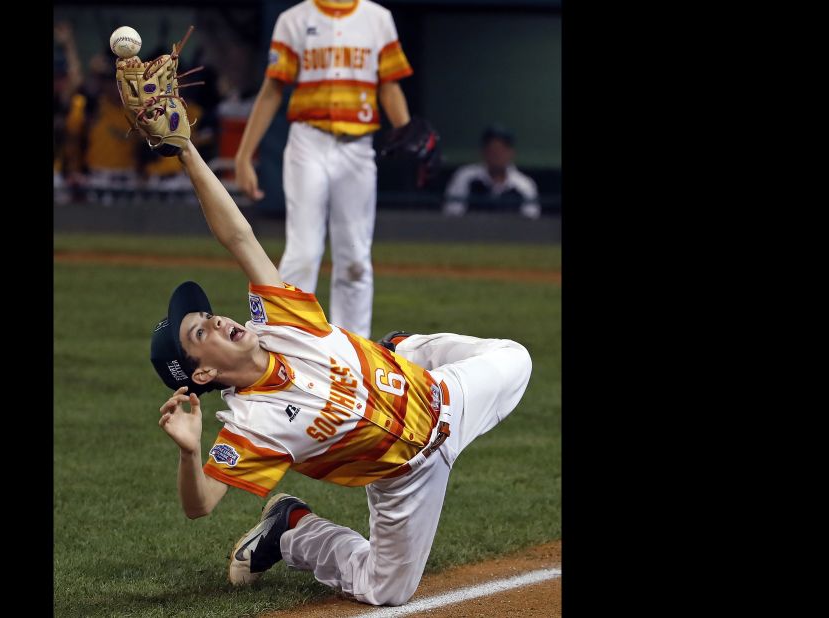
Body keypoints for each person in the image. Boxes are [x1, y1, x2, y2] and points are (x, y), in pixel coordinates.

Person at [150, 138, 533, 606]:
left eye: (209, 315)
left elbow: (238, 236)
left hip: (442, 394)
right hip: (406, 477)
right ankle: (290, 529)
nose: (217, 320)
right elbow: (200, 505)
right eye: (200, 332)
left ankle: (401, 349)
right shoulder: (252, 427)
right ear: (204, 373)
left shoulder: (277, 319)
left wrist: (187, 151)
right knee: (387, 590)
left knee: (517, 358)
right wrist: (190, 454)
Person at [233, 0, 416, 338]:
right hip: (308, 142)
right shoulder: (293, 19)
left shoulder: (378, 19)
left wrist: (406, 132)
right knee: (303, 252)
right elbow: (273, 89)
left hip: (358, 147)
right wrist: (244, 155)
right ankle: (287, 340)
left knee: (356, 260)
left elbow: (390, 86)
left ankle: (355, 350)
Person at [443, 124, 541, 219]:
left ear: (511, 153)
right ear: (483, 152)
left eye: (501, 150)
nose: (497, 155)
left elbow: (531, 223)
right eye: (492, 150)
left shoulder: (524, 185)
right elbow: (452, 216)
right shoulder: (464, 177)